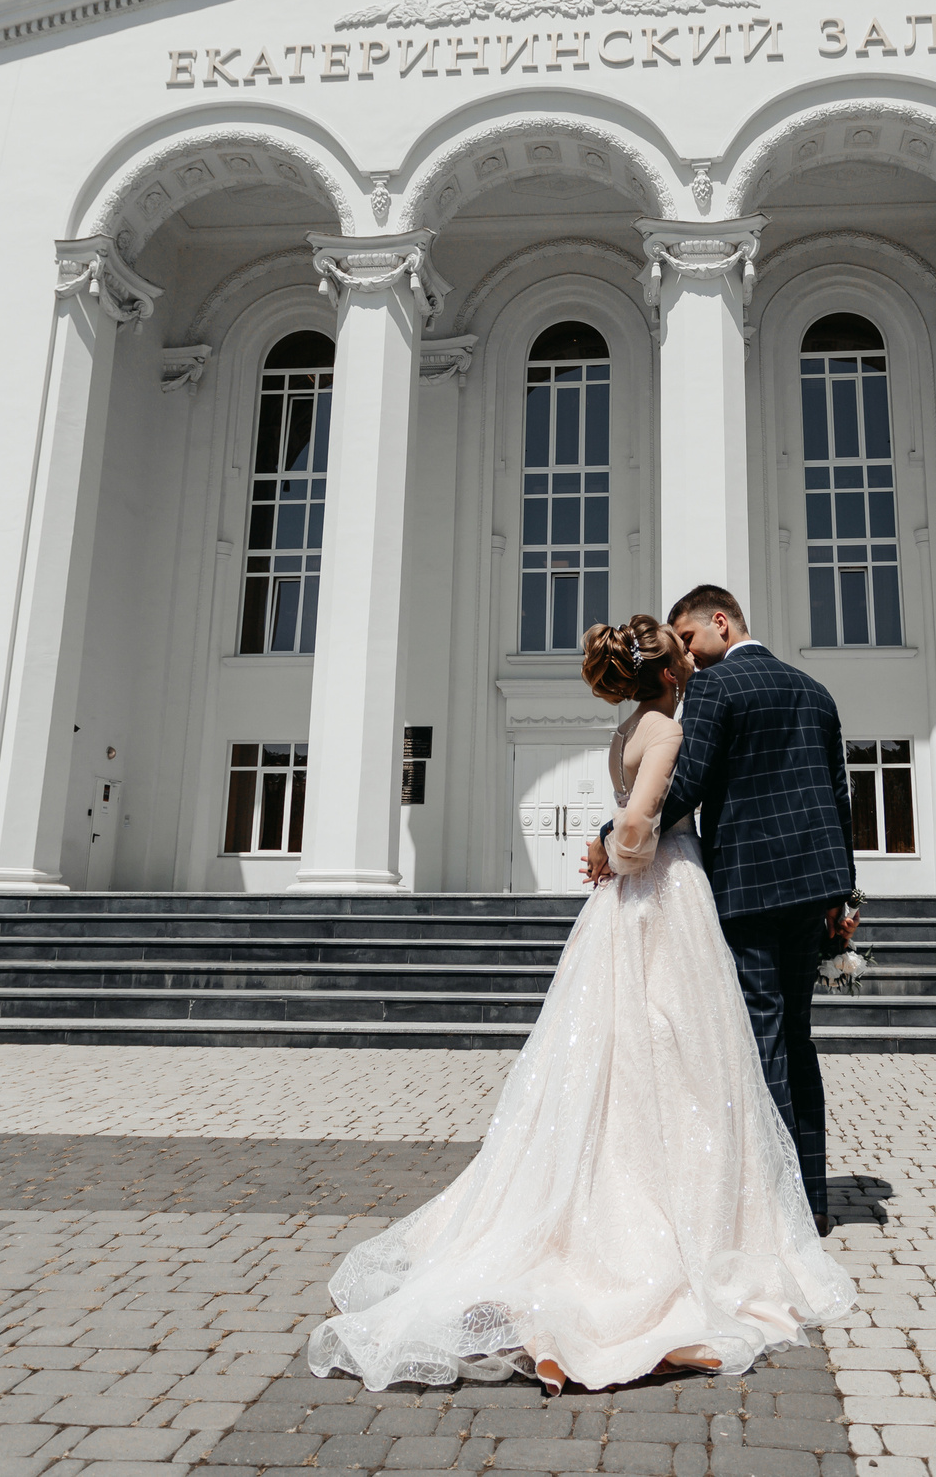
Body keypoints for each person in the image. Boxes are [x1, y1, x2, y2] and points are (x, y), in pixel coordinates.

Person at [306, 615, 853, 1395]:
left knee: (635, 1053)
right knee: (709, 1049)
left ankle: (724, 1191)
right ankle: (745, 1206)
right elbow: (649, 821)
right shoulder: (671, 723)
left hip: (633, 908)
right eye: (685, 659)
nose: (695, 667)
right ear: (669, 673)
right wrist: (618, 844)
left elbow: (635, 810)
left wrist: (611, 844)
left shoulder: (626, 729)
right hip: (674, 892)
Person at [591, 584, 856, 1234]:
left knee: (758, 1036)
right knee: (797, 1036)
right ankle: (813, 1196)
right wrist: (842, 897)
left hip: (746, 890)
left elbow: (683, 785)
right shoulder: (814, 689)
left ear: (719, 621)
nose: (683, 649)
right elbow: (839, 797)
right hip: (812, 889)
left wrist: (608, 837)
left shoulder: (715, 689)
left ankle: (774, 1203)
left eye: (686, 634)